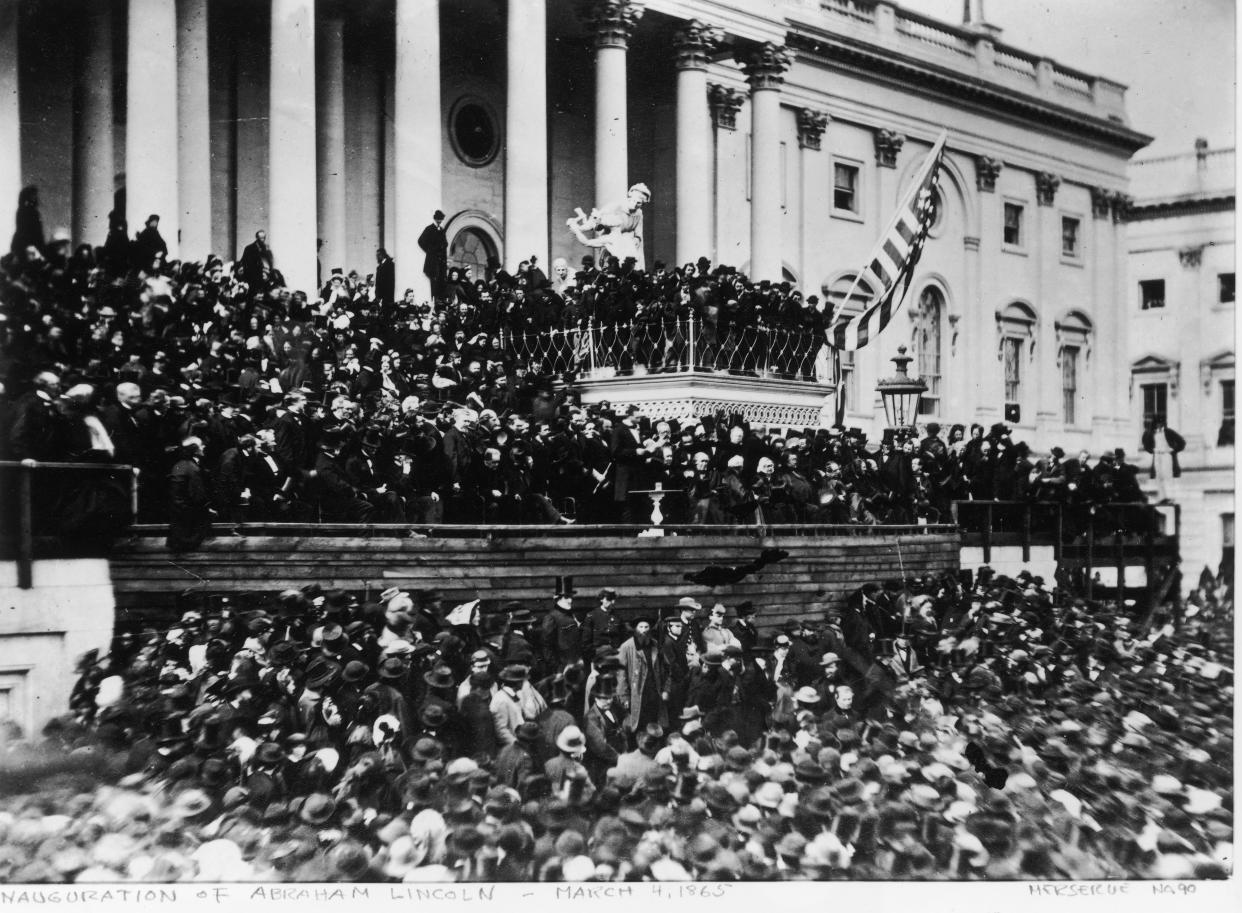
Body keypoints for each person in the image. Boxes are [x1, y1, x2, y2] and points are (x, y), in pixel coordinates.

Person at [616, 616, 668, 742]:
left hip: (654, 693)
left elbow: (664, 669)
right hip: (637, 694)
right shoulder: (626, 647)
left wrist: (665, 689)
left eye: (646, 627)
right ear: (635, 629)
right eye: (641, 627)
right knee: (637, 725)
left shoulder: (655, 645)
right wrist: (624, 696)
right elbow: (621, 674)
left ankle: (651, 747)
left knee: (653, 723)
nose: (643, 630)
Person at [166, 436, 214, 552]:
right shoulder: (192, 468)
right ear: (195, 450)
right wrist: (208, 509)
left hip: (177, 513)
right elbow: (198, 496)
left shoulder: (179, 465)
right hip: (188, 516)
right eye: (201, 445)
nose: (204, 447)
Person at [418, 210, 449, 300]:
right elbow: (421, 241)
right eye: (438, 219)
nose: (439, 221)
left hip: (441, 261)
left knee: (441, 281)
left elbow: (445, 243)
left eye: (441, 219)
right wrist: (430, 251)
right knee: (434, 282)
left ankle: (440, 301)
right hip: (433, 261)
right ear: (435, 219)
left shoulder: (442, 230)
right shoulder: (429, 229)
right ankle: (434, 300)